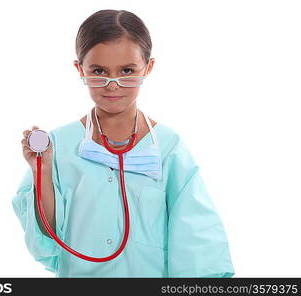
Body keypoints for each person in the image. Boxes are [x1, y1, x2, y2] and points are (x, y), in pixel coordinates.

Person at [12, 9, 235, 278]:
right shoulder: (57, 146)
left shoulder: (168, 147)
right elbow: (47, 239)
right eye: (99, 71)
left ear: (148, 68)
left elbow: (196, 238)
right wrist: (42, 171)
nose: (113, 84)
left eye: (127, 71)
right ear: (79, 69)